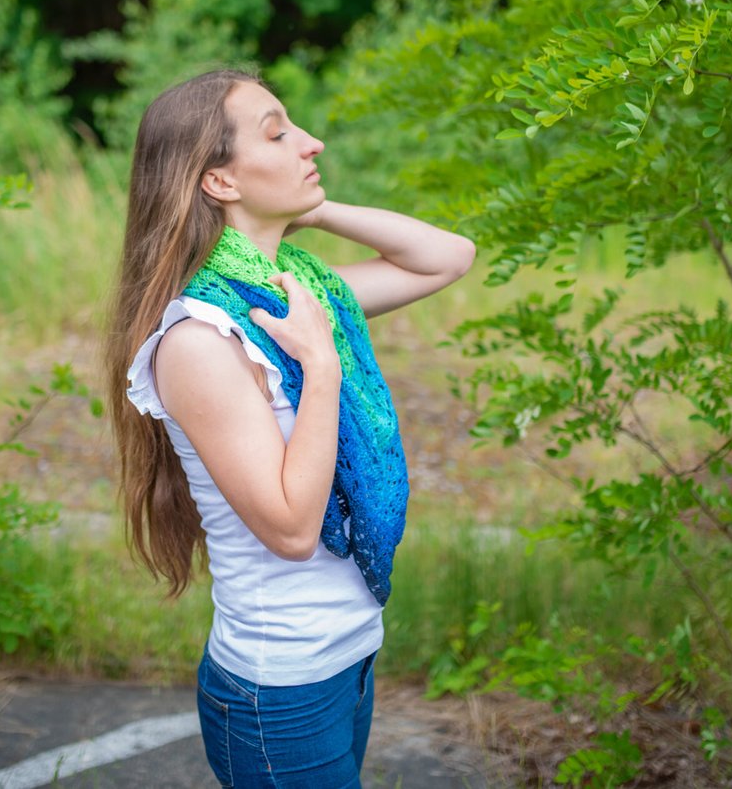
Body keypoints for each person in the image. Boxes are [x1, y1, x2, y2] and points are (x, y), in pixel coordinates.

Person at [106, 69, 475, 788]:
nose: (312, 143)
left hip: (347, 658)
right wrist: (321, 364)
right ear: (219, 181)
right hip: (280, 692)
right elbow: (291, 529)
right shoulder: (201, 338)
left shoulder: (299, 293)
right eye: (278, 134)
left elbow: (448, 257)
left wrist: (317, 209)